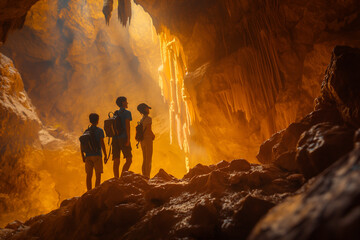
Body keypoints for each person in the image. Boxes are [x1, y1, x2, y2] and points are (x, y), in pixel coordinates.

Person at [80, 113, 107, 191]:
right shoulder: (99, 131)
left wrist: (83, 156)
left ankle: (89, 191)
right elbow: (102, 143)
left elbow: (82, 144)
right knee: (98, 175)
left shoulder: (86, 131)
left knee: (89, 175)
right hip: (97, 155)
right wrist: (105, 155)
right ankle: (95, 192)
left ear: (90, 120)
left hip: (88, 156)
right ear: (97, 121)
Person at [112, 96, 133, 178]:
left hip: (115, 139)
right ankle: (122, 177)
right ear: (123, 103)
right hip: (123, 138)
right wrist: (128, 139)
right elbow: (128, 127)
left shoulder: (115, 113)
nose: (127, 103)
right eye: (126, 101)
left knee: (116, 160)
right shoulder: (127, 113)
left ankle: (116, 178)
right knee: (129, 159)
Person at [137, 103, 155, 178]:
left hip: (142, 140)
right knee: (149, 159)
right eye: (148, 108)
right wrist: (153, 135)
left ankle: (144, 175)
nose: (148, 110)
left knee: (144, 159)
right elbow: (148, 130)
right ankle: (147, 176)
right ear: (145, 109)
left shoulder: (141, 119)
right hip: (148, 139)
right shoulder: (148, 119)